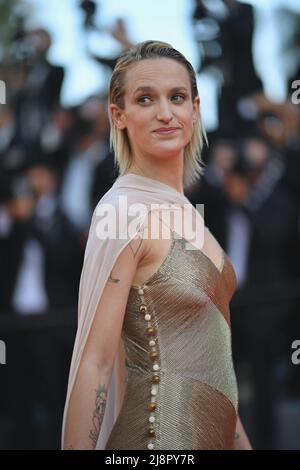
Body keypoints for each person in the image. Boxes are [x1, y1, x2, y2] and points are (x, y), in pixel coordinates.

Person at [61, 40, 252, 450]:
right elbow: (94, 363)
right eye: (146, 99)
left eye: (177, 97)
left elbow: (210, 363)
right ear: (119, 115)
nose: (165, 112)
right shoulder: (123, 211)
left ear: (195, 110)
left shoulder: (188, 211)